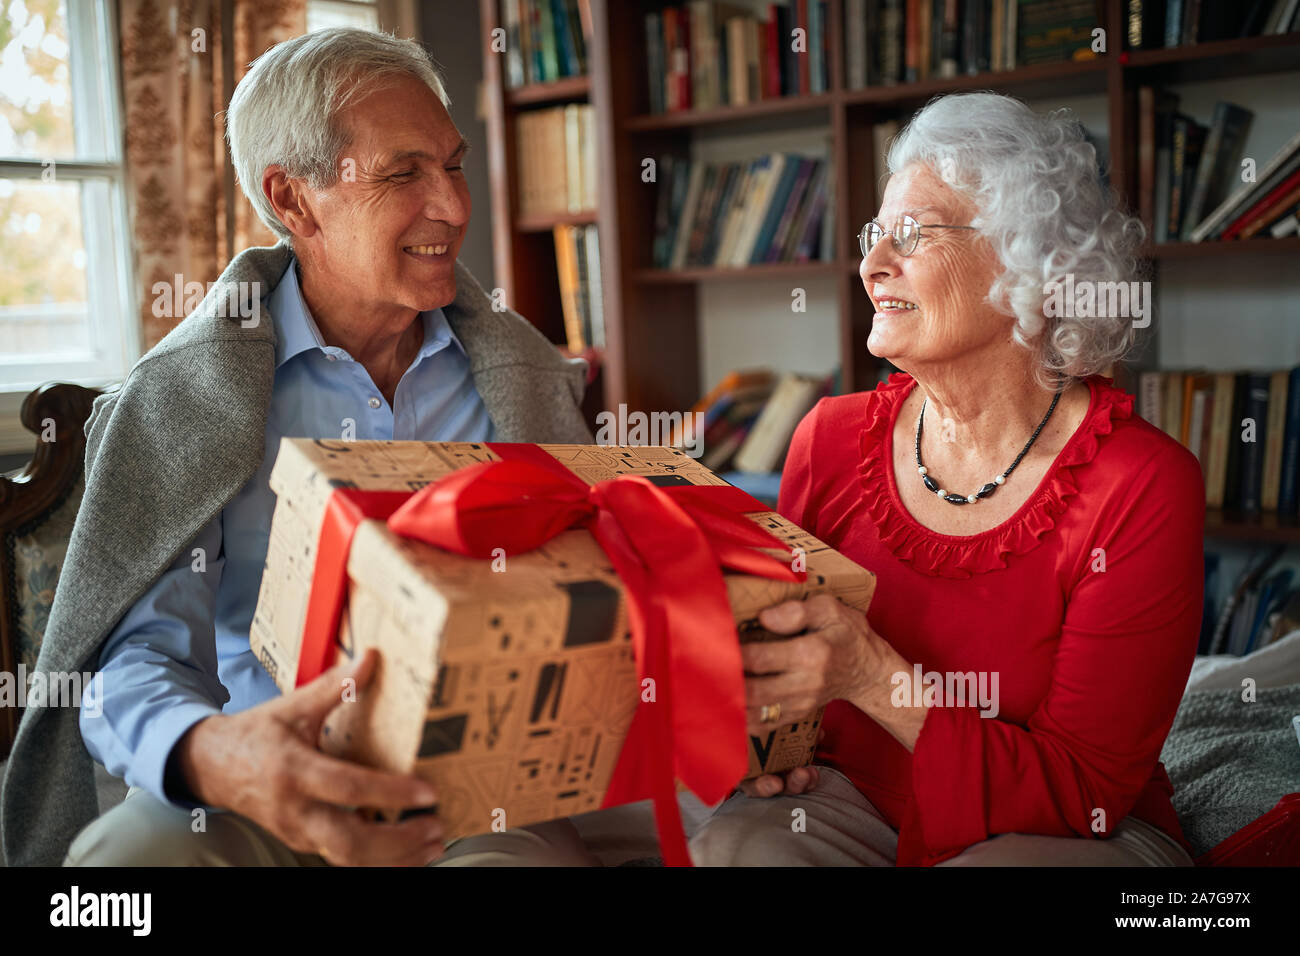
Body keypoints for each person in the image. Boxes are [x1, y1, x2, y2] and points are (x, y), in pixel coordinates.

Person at [1, 28, 605, 867]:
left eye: (454, 164)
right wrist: (216, 755)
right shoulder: (183, 399)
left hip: (479, 795)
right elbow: (137, 656)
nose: (456, 207)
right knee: (128, 863)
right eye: (404, 174)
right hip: (258, 782)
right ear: (293, 201)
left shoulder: (522, 376)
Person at [688, 92, 1204, 866]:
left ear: (1026, 263)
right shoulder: (826, 438)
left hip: (1063, 826)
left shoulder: (1142, 483)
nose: (870, 266)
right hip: (851, 796)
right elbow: (786, 667)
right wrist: (766, 744)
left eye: (911, 235)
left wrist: (872, 674)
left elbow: (1082, 793)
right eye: (873, 236)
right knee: (734, 851)